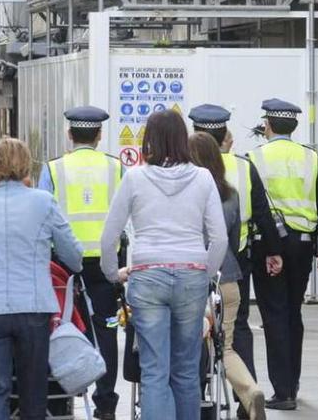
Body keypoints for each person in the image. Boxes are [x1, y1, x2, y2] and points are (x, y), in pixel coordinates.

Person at [100, 110, 228, 419]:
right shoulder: (203, 178)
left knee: (154, 370)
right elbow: (220, 238)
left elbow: (108, 238)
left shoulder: (134, 178)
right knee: (186, 370)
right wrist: (204, 273)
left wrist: (112, 274)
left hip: (147, 276)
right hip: (191, 276)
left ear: (150, 140)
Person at [188, 104, 281, 418]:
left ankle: (198, 400)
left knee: (194, 340)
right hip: (231, 269)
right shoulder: (234, 183)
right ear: (224, 134)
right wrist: (272, 251)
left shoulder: (185, 184)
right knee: (232, 339)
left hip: (191, 275)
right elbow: (256, 218)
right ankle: (248, 394)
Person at [0, 138, 84, 419]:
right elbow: (73, 254)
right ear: (27, 164)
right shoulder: (44, 202)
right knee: (33, 390)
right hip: (35, 307)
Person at [247, 98, 318, 411]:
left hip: (266, 246)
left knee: (273, 314)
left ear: (268, 125)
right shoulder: (311, 158)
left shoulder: (254, 157)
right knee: (292, 312)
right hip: (301, 246)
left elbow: (254, 207)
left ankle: (282, 390)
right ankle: (293, 383)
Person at [37, 106, 124, 419]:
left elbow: (42, 217)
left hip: (64, 265)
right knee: (107, 329)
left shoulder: (53, 168)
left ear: (69, 134)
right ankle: (106, 404)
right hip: (105, 264)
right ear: (99, 135)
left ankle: (65, 398)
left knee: (63, 328)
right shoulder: (116, 168)